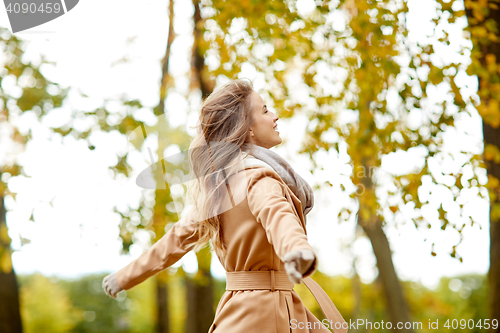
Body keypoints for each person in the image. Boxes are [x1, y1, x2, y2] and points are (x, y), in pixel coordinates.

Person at [102, 79, 346, 333]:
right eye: (264, 110)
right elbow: (279, 217)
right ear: (247, 128)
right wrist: (297, 250)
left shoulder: (218, 188)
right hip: (267, 314)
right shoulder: (258, 178)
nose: (275, 116)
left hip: (240, 311)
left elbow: (174, 241)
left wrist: (123, 277)